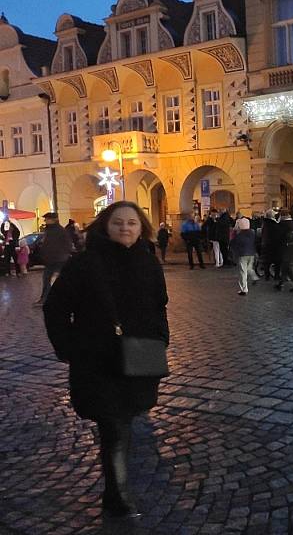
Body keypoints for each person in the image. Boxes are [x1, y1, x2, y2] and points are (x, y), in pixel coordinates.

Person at [43, 201, 169, 518]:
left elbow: (159, 305)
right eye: (118, 222)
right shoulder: (84, 264)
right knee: (115, 426)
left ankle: (115, 492)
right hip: (97, 360)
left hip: (140, 355)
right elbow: (55, 308)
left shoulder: (148, 262)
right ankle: (118, 498)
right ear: (105, 226)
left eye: (131, 223)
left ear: (142, 227)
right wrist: (70, 347)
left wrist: (161, 337)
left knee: (124, 422)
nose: (125, 228)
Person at [35, 212, 73, 305]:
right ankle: (45, 299)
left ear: (53, 220)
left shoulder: (61, 231)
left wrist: (63, 255)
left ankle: (60, 299)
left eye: (47, 219)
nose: (45, 221)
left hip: (59, 260)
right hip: (50, 260)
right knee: (47, 280)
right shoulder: (49, 230)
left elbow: (68, 245)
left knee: (56, 281)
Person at [231, 217, 258, 295]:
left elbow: (232, 244)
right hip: (251, 253)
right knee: (249, 268)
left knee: (243, 272)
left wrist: (235, 231)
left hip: (242, 254)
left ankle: (244, 289)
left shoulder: (239, 236)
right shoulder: (252, 233)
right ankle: (254, 277)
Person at [275, 208, 293, 292]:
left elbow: (278, 237)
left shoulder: (282, 224)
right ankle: (280, 283)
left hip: (285, 247)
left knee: (288, 267)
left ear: (282, 215)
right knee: (286, 266)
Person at [261, 209, 282, 280]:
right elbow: (277, 235)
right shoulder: (273, 224)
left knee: (267, 261)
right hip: (273, 245)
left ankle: (267, 276)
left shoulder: (265, 223)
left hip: (266, 244)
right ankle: (276, 275)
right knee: (277, 261)